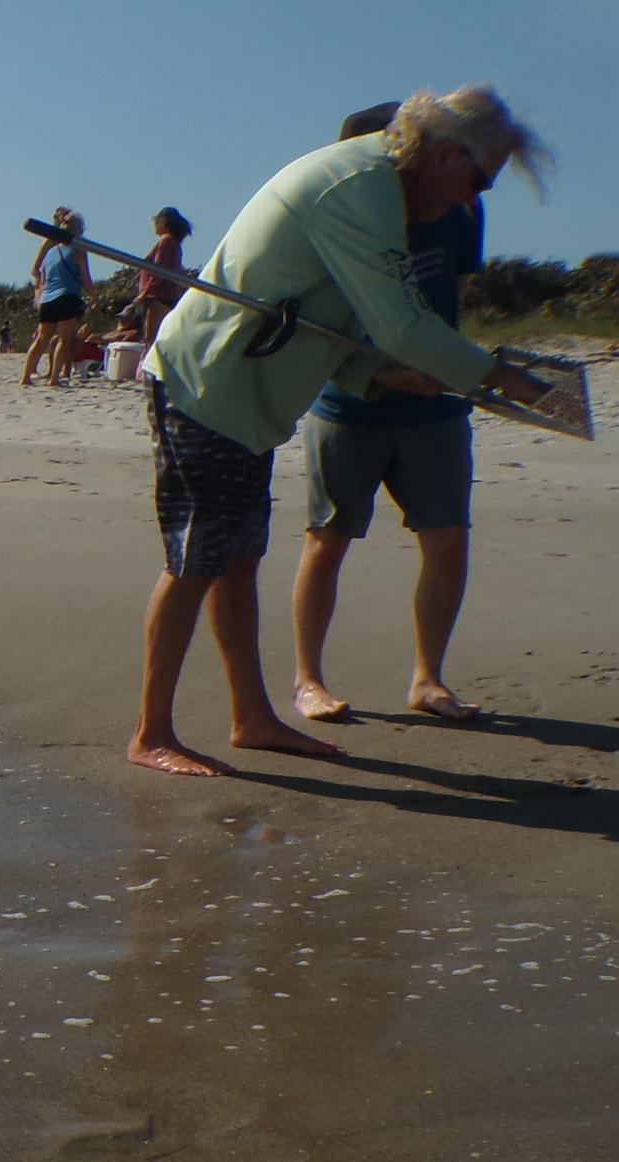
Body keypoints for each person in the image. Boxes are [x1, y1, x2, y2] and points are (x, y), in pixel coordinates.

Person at [132, 86, 552, 778]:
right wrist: (499, 374)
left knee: (235, 559)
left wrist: (379, 377)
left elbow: (340, 321)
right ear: (448, 154)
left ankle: (251, 717)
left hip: (245, 398)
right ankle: (150, 732)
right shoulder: (363, 186)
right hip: (204, 384)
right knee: (196, 559)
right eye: (479, 180)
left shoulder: (377, 185)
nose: (472, 200)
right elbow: (400, 324)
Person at [291, 101, 495, 724]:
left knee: (447, 540)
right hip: (347, 403)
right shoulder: (342, 208)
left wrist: (441, 364)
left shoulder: (461, 205)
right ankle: (307, 681)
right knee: (327, 540)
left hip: (434, 407)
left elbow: (453, 296)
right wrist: (378, 367)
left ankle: (428, 678)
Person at [21, 209, 91, 387]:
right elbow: (85, 278)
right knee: (64, 339)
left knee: (41, 339)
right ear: (78, 230)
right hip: (67, 295)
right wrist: (94, 296)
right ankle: (54, 378)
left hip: (48, 299)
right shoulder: (79, 249)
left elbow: (40, 275)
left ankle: (25, 377)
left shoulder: (51, 252)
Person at [140, 206, 192, 343]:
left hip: (160, 297)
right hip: (168, 296)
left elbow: (159, 269)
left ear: (163, 222)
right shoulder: (174, 243)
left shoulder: (166, 241)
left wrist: (145, 293)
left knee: (150, 341)